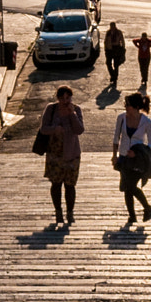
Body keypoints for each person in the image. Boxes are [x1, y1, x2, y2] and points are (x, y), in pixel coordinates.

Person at [40, 85, 84, 227]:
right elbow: (43, 128)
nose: (65, 100)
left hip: (72, 153)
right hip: (55, 153)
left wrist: (72, 114)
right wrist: (55, 129)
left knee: (70, 185)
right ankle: (58, 211)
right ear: (58, 98)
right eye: (62, 98)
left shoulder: (76, 110)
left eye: (68, 97)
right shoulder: (51, 109)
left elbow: (79, 130)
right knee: (56, 184)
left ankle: (70, 212)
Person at [113, 90, 151, 225]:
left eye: (128, 105)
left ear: (137, 107)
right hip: (124, 158)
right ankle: (132, 216)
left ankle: (147, 208)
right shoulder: (121, 118)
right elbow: (116, 138)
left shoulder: (146, 121)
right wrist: (114, 155)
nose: (126, 107)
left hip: (138, 159)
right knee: (127, 187)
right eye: (125, 105)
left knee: (130, 186)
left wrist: (138, 152)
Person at [103, 21, 126, 88]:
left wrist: (123, 49)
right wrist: (105, 49)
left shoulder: (118, 32)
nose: (112, 28)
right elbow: (105, 41)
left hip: (116, 49)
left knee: (116, 64)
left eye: (113, 26)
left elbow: (122, 40)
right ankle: (112, 75)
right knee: (108, 63)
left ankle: (115, 78)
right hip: (109, 49)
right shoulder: (108, 32)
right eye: (111, 26)